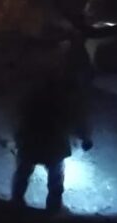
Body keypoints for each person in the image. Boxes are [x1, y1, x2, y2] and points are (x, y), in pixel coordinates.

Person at [11, 73, 93, 212]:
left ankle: (17, 201)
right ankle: (53, 207)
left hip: (31, 141)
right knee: (55, 178)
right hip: (53, 144)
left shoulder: (34, 96)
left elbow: (20, 115)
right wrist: (85, 137)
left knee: (23, 172)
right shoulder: (66, 101)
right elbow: (77, 120)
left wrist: (18, 137)